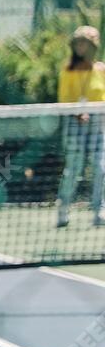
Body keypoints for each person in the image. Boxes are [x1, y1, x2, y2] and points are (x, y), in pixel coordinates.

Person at [56, 24, 105, 229]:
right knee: (74, 168)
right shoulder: (69, 69)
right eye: (78, 43)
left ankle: (99, 210)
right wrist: (77, 111)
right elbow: (64, 98)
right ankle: (63, 209)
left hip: (98, 122)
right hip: (75, 123)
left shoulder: (100, 68)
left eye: (85, 43)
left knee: (100, 167)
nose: (80, 47)